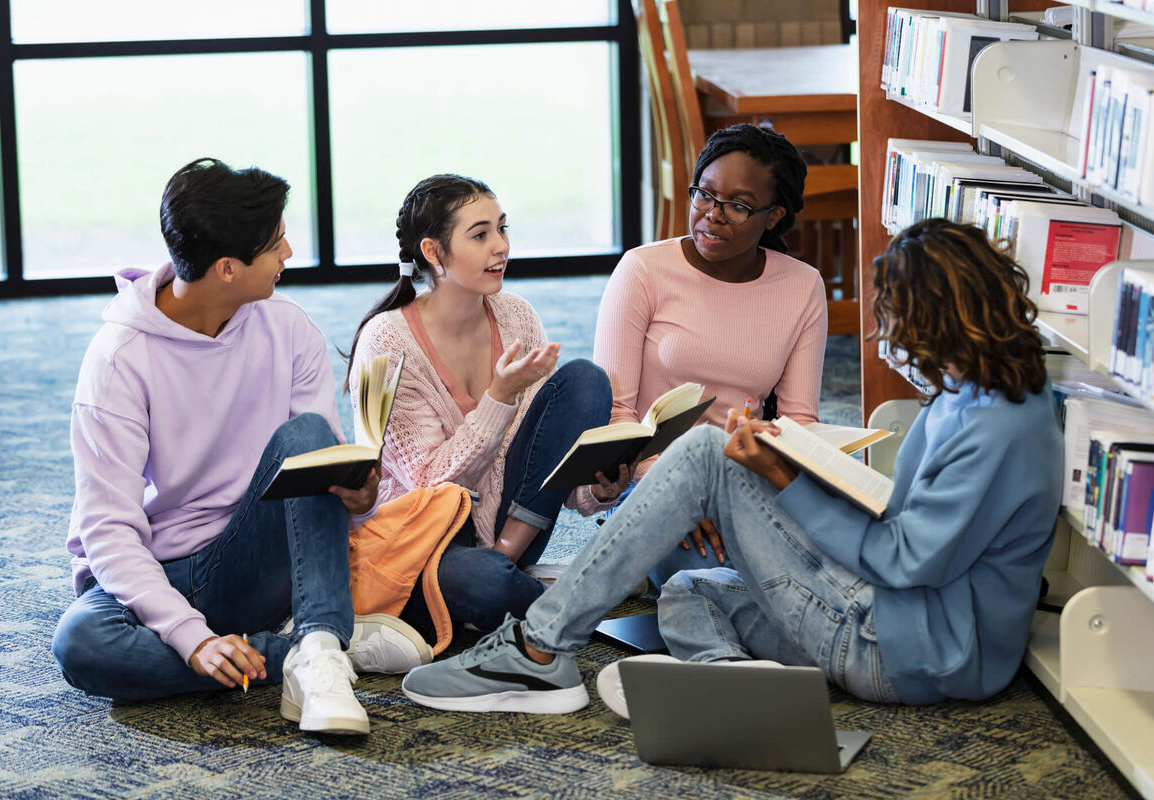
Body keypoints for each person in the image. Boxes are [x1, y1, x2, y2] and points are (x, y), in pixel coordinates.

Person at [399, 217, 1063, 715]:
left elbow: (906, 559)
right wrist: (794, 470)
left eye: (902, 325)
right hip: (895, 615)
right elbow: (910, 530)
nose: (890, 341)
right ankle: (730, 687)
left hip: (910, 649)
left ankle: (539, 648)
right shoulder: (975, 389)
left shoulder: (1002, 427)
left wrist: (785, 482)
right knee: (691, 592)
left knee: (709, 453)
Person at [51, 158, 429, 737]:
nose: (290, 254)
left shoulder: (289, 328)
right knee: (82, 643)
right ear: (227, 268)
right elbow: (107, 530)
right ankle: (300, 655)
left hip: (256, 561)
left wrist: (358, 495)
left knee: (306, 441)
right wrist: (191, 637)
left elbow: (320, 481)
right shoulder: (117, 359)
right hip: (163, 568)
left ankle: (320, 645)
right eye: (276, 244)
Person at [345, 174, 626, 635]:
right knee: (481, 585)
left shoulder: (515, 314)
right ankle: (525, 589)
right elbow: (427, 487)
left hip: (513, 529)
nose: (501, 246)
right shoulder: (386, 342)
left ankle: (506, 566)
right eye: (480, 235)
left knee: (586, 381)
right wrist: (498, 397)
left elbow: (545, 454)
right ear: (434, 252)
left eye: (502, 228)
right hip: (426, 539)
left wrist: (596, 490)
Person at [594, 123, 828, 587]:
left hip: (749, 477)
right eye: (704, 194)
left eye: (738, 206)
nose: (712, 215)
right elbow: (617, 413)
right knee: (715, 577)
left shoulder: (803, 286)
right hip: (654, 480)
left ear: (774, 215)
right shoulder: (643, 270)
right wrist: (683, 495)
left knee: (830, 555)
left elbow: (800, 419)